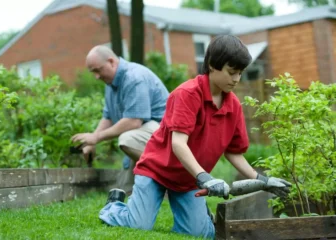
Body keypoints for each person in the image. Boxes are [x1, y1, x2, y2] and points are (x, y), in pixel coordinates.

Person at [98, 35, 292, 239]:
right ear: (212, 65)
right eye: (231, 72)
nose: (236, 79)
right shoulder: (187, 94)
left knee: (199, 233)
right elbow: (179, 144)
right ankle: (114, 205)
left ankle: (200, 216)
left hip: (189, 180)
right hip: (156, 171)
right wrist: (205, 178)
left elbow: (233, 153)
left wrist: (263, 180)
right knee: (138, 226)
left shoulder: (233, 105)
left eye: (240, 73)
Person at [71, 45, 169, 193]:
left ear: (111, 61)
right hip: (145, 135)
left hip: (166, 135)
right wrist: (91, 141)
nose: (96, 76)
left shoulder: (134, 78)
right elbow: (108, 116)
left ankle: (169, 180)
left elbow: (134, 121)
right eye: (93, 72)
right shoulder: (110, 83)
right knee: (124, 189)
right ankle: (145, 189)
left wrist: (97, 137)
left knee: (127, 139)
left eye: (98, 70)